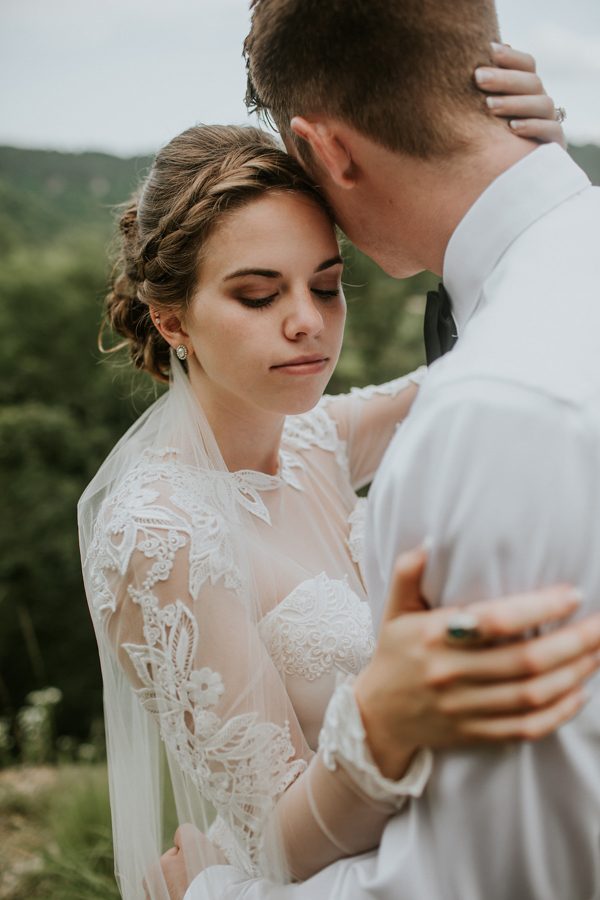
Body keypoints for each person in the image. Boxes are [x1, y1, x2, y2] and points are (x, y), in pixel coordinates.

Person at [77, 51, 589, 900]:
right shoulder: (158, 533)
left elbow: (518, 347)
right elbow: (275, 839)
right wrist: (383, 729)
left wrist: (538, 164)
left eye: (327, 284)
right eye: (256, 295)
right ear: (173, 319)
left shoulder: (316, 436)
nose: (308, 325)